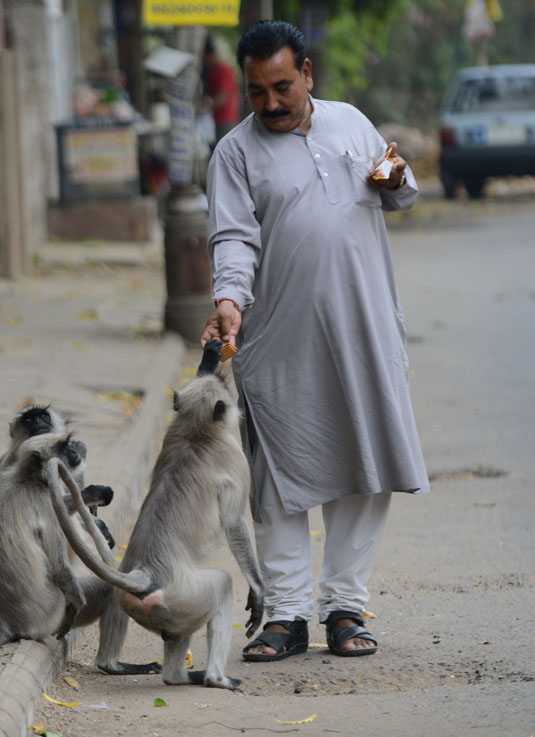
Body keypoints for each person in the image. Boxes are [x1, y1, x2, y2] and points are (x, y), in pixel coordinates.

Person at [200, 20, 428, 662]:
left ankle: (344, 608)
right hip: (280, 336)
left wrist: (395, 179)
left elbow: (399, 191)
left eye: (281, 88)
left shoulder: (351, 122)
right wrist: (227, 302)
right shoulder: (235, 154)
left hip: (366, 327)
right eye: (256, 92)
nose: (270, 104)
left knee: (367, 463)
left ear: (307, 74)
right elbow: (234, 239)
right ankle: (287, 614)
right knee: (278, 475)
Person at [203, 36, 241, 145]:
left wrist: (205, 105)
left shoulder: (222, 70)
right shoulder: (213, 71)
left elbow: (223, 98)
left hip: (225, 120)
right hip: (218, 121)